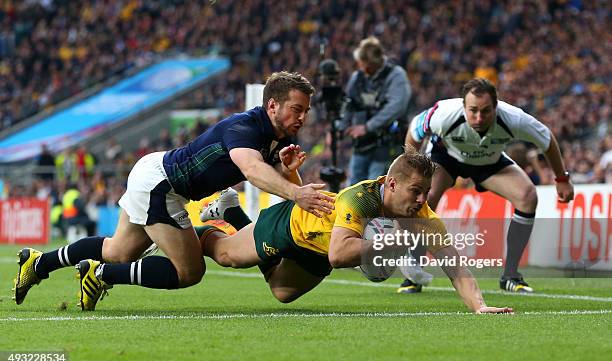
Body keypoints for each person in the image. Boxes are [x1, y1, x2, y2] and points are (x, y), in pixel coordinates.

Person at [13, 71, 335, 310]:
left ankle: (38, 264)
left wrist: (287, 171)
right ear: (273, 105)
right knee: (190, 271)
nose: (303, 117)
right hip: (162, 186)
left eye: (306, 110)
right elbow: (251, 169)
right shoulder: (245, 127)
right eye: (297, 109)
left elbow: (266, 177)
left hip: (156, 173)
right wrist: (297, 192)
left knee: (118, 251)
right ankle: (101, 275)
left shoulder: (272, 139)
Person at [196, 150, 512, 314]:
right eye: (416, 191)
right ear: (391, 184)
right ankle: (193, 234)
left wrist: (479, 305)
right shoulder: (358, 198)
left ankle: (231, 212)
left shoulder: (424, 216)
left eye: (426, 191)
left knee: (282, 292)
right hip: (293, 225)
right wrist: (390, 242)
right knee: (227, 257)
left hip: (316, 250)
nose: (422, 200)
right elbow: (338, 255)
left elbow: (455, 266)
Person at [400, 78, 574, 294]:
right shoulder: (444, 114)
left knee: (528, 196)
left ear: (496, 106)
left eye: (486, 111)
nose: (479, 117)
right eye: (473, 111)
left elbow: (547, 140)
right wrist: (410, 173)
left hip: (488, 162)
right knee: (426, 196)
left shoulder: (514, 118)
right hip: (446, 158)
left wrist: (562, 179)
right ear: (463, 107)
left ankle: (511, 276)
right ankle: (413, 272)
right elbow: (414, 132)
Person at [340, 36, 412, 185]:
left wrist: (368, 127)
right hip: (362, 143)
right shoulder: (358, 77)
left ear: (370, 63)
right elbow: (349, 103)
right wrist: (340, 127)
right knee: (352, 187)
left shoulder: (396, 75)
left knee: (376, 186)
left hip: (387, 144)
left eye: (362, 63)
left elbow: (396, 107)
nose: (359, 67)